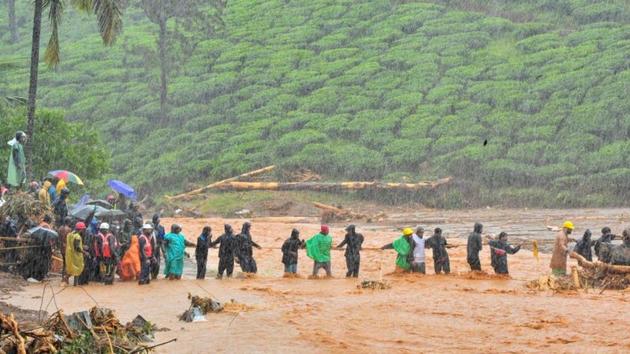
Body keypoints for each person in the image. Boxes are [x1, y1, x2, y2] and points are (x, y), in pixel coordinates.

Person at [58, 217, 73, 284]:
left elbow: (58, 239)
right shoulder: (69, 230)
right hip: (67, 248)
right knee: (67, 263)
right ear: (69, 222)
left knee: (64, 263)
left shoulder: (60, 228)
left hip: (61, 247)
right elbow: (70, 240)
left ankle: (63, 278)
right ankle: (65, 278)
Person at [151, 214, 165, 279]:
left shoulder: (162, 228)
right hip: (150, 248)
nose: (159, 220)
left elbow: (163, 239)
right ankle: (150, 274)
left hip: (158, 248)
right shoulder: (150, 227)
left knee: (157, 263)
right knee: (151, 262)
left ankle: (155, 276)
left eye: (159, 218)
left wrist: (163, 251)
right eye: (157, 218)